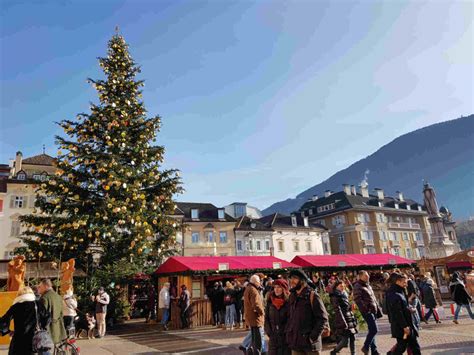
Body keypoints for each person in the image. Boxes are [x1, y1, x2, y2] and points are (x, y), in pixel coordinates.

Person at [286, 269, 328, 355]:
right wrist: (289, 333)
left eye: (295, 278)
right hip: (296, 343)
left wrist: (312, 337)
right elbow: (290, 317)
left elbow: (322, 318)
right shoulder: (292, 296)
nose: (292, 281)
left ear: (302, 280)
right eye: (290, 278)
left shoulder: (312, 295)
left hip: (310, 346)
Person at [0, 286, 51, 355]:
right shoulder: (38, 305)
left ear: (19, 295)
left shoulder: (16, 306)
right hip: (35, 341)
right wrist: (41, 328)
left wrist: (8, 331)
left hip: (19, 342)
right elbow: (48, 318)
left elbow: (3, 323)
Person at [385, 273, 421, 355]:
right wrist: (405, 327)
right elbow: (397, 312)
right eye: (404, 282)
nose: (406, 284)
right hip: (402, 327)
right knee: (402, 346)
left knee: (413, 346)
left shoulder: (400, 291)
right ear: (398, 282)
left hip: (407, 324)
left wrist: (409, 308)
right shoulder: (394, 294)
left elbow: (402, 307)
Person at [353, 270, 382, 355]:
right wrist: (366, 310)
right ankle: (365, 347)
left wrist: (377, 309)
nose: (368, 277)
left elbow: (373, 298)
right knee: (374, 330)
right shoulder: (357, 286)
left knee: (371, 330)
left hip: (373, 310)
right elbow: (358, 300)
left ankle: (374, 351)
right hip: (367, 311)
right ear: (360, 276)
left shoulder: (367, 285)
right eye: (365, 276)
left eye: (368, 275)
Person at [330, 280, 358, 355]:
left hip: (349, 317)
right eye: (340, 286)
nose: (342, 287)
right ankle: (334, 352)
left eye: (343, 286)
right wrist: (343, 322)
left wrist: (351, 308)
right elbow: (337, 309)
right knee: (345, 340)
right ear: (336, 287)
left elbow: (346, 306)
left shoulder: (344, 294)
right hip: (342, 318)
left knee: (352, 338)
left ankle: (353, 353)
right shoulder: (334, 295)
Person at [241, 274, 266, 354]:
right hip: (256, 318)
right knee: (258, 341)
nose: (260, 283)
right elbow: (256, 304)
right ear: (255, 282)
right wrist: (262, 312)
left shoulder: (248, 288)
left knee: (254, 339)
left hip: (251, 318)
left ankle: (248, 349)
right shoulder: (253, 290)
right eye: (259, 282)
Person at [264, 278, 290, 355]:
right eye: (275, 287)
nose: (276, 289)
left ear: (284, 289)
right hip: (273, 338)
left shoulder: (289, 302)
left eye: (279, 287)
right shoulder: (270, 301)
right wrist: (269, 332)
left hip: (286, 338)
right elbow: (267, 318)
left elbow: (291, 319)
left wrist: (287, 332)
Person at [38, 279, 67, 346]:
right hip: (58, 327)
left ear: (45, 286)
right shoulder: (58, 297)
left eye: (40, 286)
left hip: (49, 329)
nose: (39, 288)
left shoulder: (44, 297)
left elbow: (42, 314)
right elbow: (61, 313)